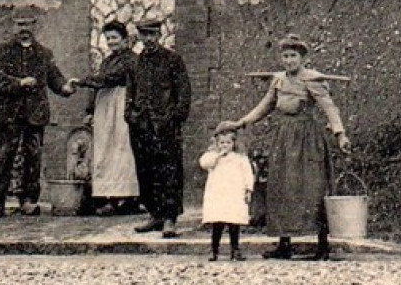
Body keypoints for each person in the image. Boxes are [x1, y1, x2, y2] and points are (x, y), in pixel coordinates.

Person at [223, 35, 351, 261]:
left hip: (307, 139)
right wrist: (241, 122)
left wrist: (340, 134)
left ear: (302, 58)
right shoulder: (278, 80)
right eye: (285, 56)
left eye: (293, 56)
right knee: (280, 188)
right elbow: (264, 106)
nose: (289, 60)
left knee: (312, 187)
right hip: (283, 139)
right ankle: (284, 244)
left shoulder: (313, 80)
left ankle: (322, 245)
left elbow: (330, 108)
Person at [0, 13, 74, 219]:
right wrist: (19, 83)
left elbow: (54, 77)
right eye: (19, 24)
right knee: (3, 156)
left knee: (33, 156)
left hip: (35, 113)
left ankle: (29, 200)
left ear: (35, 25)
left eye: (28, 24)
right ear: (13, 25)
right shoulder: (1, 51)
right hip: (8, 114)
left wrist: (64, 87)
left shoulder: (44, 53)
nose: (24, 28)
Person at [125, 17, 192, 238]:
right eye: (145, 35)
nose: (149, 39)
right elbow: (130, 91)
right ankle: (155, 215)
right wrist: (130, 115)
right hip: (141, 125)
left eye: (153, 35)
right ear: (139, 36)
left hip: (165, 126)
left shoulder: (172, 60)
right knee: (145, 170)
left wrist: (175, 118)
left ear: (160, 35)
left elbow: (183, 92)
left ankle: (170, 218)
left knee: (169, 171)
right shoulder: (135, 62)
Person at [69, 21, 141, 215]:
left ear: (125, 40)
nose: (111, 42)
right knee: (105, 149)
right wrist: (90, 110)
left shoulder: (131, 60)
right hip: (105, 107)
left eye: (115, 38)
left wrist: (82, 81)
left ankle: (126, 198)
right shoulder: (107, 61)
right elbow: (99, 84)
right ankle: (107, 197)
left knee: (122, 149)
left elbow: (109, 79)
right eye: (108, 38)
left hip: (121, 107)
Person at [200, 124, 256, 262]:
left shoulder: (240, 158)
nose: (225, 145)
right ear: (217, 143)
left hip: (234, 194)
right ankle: (214, 250)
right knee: (217, 224)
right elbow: (204, 163)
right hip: (218, 194)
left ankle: (235, 250)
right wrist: (218, 155)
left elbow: (248, 173)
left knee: (234, 223)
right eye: (222, 143)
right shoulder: (212, 156)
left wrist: (248, 189)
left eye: (228, 142)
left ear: (234, 143)